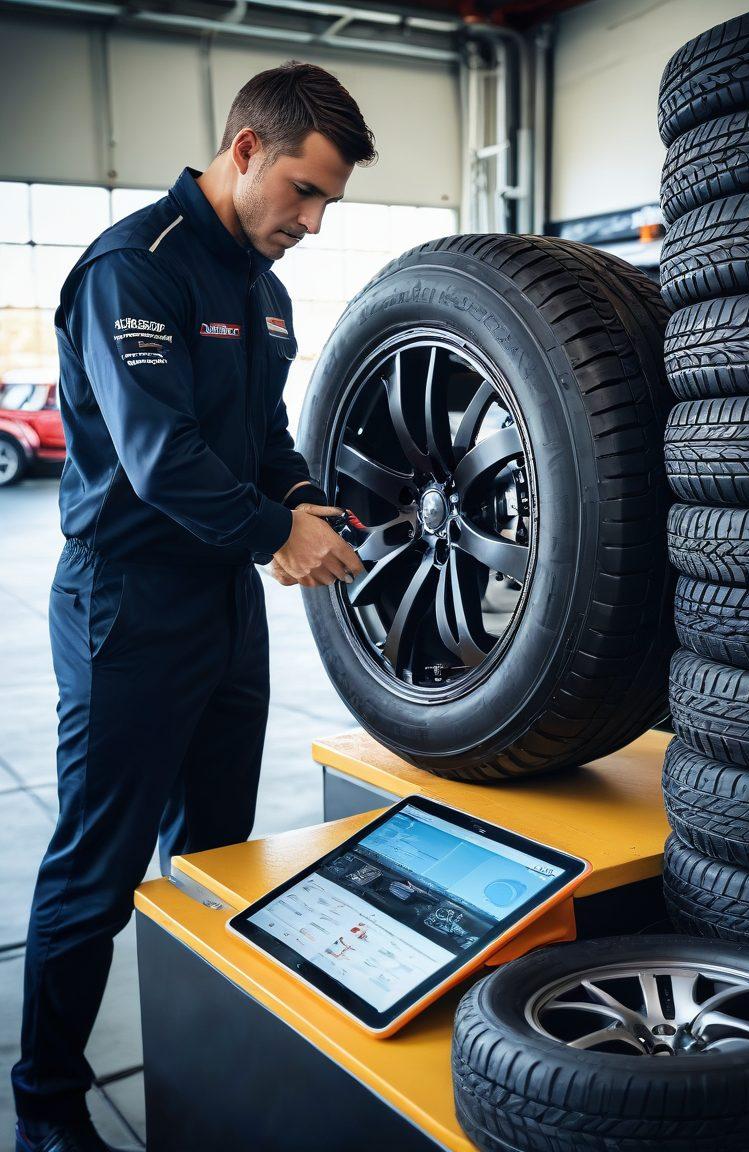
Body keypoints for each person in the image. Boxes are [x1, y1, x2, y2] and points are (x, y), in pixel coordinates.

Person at [12, 61, 374, 1152]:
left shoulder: (265, 294)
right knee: (99, 864)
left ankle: (199, 1065)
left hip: (221, 604)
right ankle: (44, 1104)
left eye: (329, 204)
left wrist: (309, 501)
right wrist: (278, 535)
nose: (310, 223)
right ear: (246, 150)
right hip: (127, 603)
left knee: (217, 851)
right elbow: (158, 459)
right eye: (303, 192)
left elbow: (261, 442)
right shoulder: (136, 267)